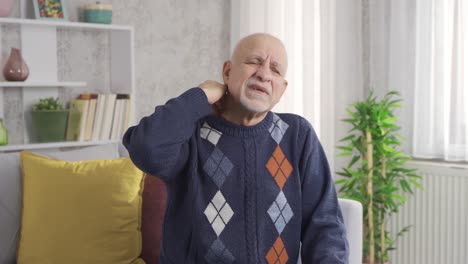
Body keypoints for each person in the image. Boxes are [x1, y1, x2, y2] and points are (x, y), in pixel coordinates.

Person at [123, 33, 349, 263]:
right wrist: (200, 95)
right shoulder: (190, 133)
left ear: (282, 89)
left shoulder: (298, 135)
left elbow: (325, 226)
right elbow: (146, 149)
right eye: (254, 62)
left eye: (276, 70)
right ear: (228, 72)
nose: (264, 74)